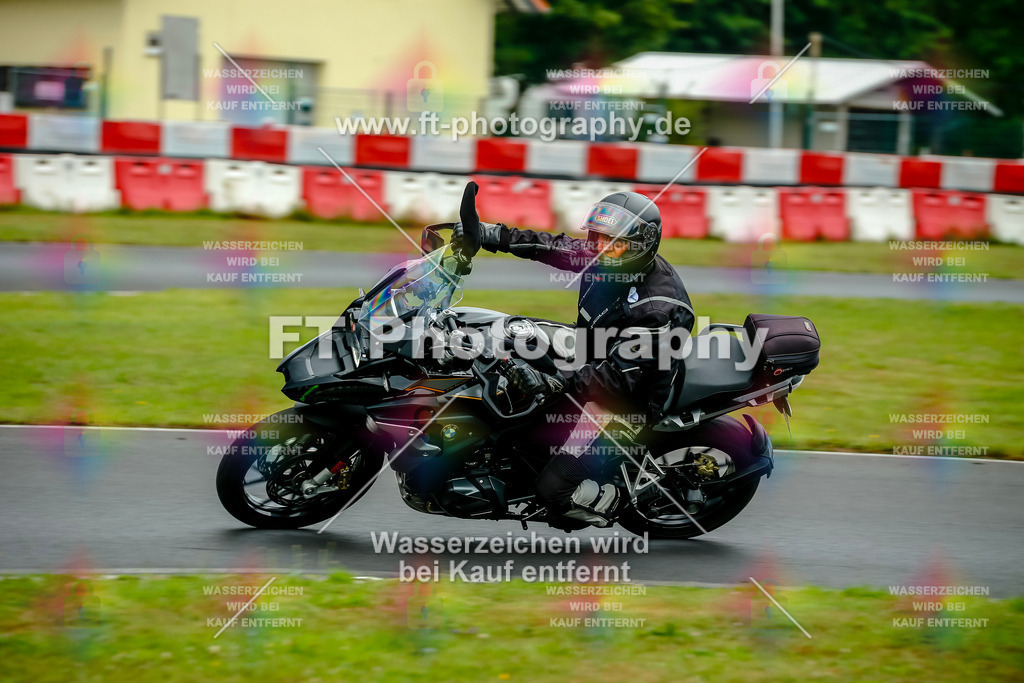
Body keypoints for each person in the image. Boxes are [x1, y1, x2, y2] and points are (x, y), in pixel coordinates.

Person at [455, 191, 694, 527]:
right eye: (596, 239)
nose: (597, 249)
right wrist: (492, 235)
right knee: (510, 334)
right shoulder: (610, 258)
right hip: (591, 352)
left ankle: (613, 500)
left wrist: (558, 379)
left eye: (610, 243)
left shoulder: (657, 309)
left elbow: (617, 380)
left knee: (553, 489)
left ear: (640, 246)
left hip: (621, 403)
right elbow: (553, 247)